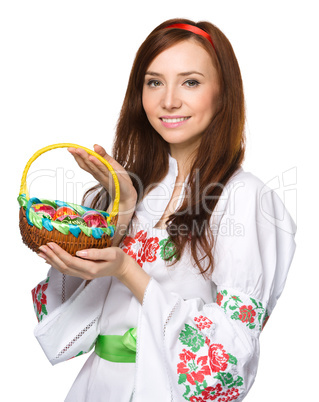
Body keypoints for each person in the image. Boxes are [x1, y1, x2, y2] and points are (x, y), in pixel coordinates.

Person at [33, 18, 296, 401]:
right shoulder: (117, 190)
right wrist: (119, 213)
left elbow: (228, 358)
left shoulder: (244, 197)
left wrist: (127, 269)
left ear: (223, 93)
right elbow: (59, 323)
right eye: (154, 82)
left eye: (190, 82)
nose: (168, 100)